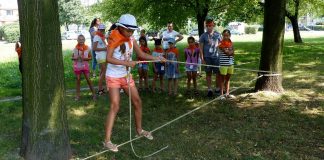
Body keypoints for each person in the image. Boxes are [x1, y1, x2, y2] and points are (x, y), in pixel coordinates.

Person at [104, 14, 165, 152]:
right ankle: (107, 141)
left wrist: (157, 58)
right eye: (128, 30)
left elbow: (142, 55)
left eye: (132, 31)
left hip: (126, 76)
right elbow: (108, 58)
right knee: (115, 106)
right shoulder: (114, 37)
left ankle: (139, 130)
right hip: (113, 76)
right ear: (120, 27)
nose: (131, 33)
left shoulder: (130, 37)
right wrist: (127, 62)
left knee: (137, 101)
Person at [199, 17, 222, 97]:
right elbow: (200, 48)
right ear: (206, 26)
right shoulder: (203, 36)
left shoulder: (218, 35)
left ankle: (217, 88)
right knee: (208, 73)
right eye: (207, 26)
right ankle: (209, 89)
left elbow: (221, 45)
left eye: (211, 25)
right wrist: (202, 58)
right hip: (207, 58)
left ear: (213, 25)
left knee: (217, 73)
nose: (209, 27)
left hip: (216, 57)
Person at [71, 35, 96, 101]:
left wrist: (84, 58)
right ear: (77, 40)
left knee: (88, 79)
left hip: (85, 66)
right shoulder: (75, 49)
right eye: (80, 39)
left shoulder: (88, 48)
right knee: (78, 80)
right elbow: (72, 58)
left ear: (84, 40)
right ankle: (77, 96)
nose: (81, 41)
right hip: (77, 66)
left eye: (82, 39)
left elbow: (90, 57)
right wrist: (76, 58)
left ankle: (94, 94)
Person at [218, 29, 235, 99]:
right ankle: (221, 94)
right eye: (224, 35)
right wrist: (230, 51)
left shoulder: (231, 43)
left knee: (228, 79)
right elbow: (227, 52)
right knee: (222, 79)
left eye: (227, 35)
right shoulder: (220, 43)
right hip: (223, 64)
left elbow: (233, 53)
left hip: (230, 63)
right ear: (222, 36)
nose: (226, 37)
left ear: (230, 36)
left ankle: (227, 93)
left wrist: (230, 51)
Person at [93, 24, 107, 96]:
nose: (102, 31)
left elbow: (102, 45)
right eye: (101, 30)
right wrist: (104, 49)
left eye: (103, 30)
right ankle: (100, 89)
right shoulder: (96, 37)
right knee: (104, 71)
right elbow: (94, 48)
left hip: (104, 56)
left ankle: (100, 89)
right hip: (100, 56)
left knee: (102, 72)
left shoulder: (102, 37)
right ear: (98, 30)